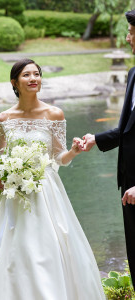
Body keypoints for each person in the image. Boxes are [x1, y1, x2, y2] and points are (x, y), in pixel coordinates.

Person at [0, 58, 105, 299]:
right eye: (26, 75)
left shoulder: (54, 114)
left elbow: (59, 157)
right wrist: (1, 177)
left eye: (37, 74)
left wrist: (73, 151)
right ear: (14, 82)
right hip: (12, 194)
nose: (33, 79)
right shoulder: (3, 119)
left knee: (46, 247)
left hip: (45, 192)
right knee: (11, 250)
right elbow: (0, 156)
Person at [79, 9, 135, 287]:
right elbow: (129, 129)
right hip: (128, 186)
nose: (127, 38)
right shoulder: (133, 74)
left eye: (131, 33)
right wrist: (97, 139)